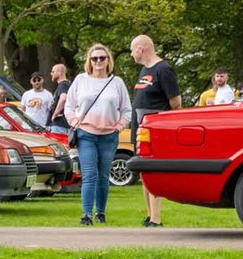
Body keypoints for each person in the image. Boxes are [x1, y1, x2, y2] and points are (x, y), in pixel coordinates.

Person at [64, 44, 132, 226]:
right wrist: (73, 121)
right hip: (86, 133)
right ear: (90, 61)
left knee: (103, 175)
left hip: (109, 135)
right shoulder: (80, 80)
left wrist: (119, 126)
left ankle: (100, 213)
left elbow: (127, 110)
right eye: (95, 58)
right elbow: (68, 106)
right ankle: (86, 215)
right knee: (89, 174)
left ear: (108, 60)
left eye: (102, 58)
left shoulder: (117, 82)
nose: (99, 61)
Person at [129, 35, 180, 227]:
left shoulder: (163, 70)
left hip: (155, 129)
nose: (131, 53)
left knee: (153, 171)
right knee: (143, 172)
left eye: (132, 49)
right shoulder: (144, 70)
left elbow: (175, 102)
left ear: (141, 49)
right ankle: (150, 216)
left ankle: (156, 218)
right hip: (140, 127)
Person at [46, 63, 72, 133]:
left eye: (53, 72)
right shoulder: (65, 85)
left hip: (59, 124)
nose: (51, 74)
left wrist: (55, 114)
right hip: (61, 124)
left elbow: (63, 98)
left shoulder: (63, 84)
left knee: (57, 143)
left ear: (59, 72)